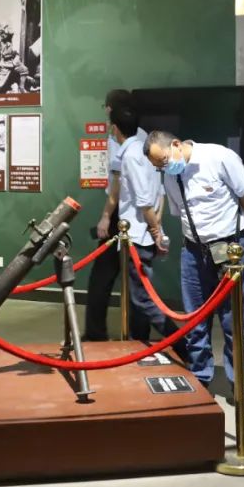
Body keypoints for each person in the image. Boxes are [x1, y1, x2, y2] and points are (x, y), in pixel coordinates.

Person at [143, 130, 244, 414]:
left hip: (229, 247)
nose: (164, 168)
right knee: (195, 320)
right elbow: (180, 211)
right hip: (194, 251)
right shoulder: (171, 176)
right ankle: (200, 379)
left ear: (176, 145)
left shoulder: (219, 157)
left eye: (164, 161)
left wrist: (235, 232)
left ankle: (242, 386)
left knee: (235, 320)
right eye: (158, 167)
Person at [83, 89, 147, 341]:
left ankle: (96, 332)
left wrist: (106, 216)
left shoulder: (117, 139)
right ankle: (138, 335)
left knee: (103, 275)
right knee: (138, 278)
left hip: (121, 213)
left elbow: (117, 186)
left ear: (111, 110)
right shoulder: (145, 137)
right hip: (142, 215)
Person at [113, 106, 173, 342]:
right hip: (146, 230)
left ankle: (180, 342)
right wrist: (158, 228)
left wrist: (156, 232)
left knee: (141, 298)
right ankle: (139, 344)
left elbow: (143, 201)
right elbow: (160, 193)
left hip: (137, 235)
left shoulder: (131, 155)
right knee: (137, 298)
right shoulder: (146, 150)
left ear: (115, 129)